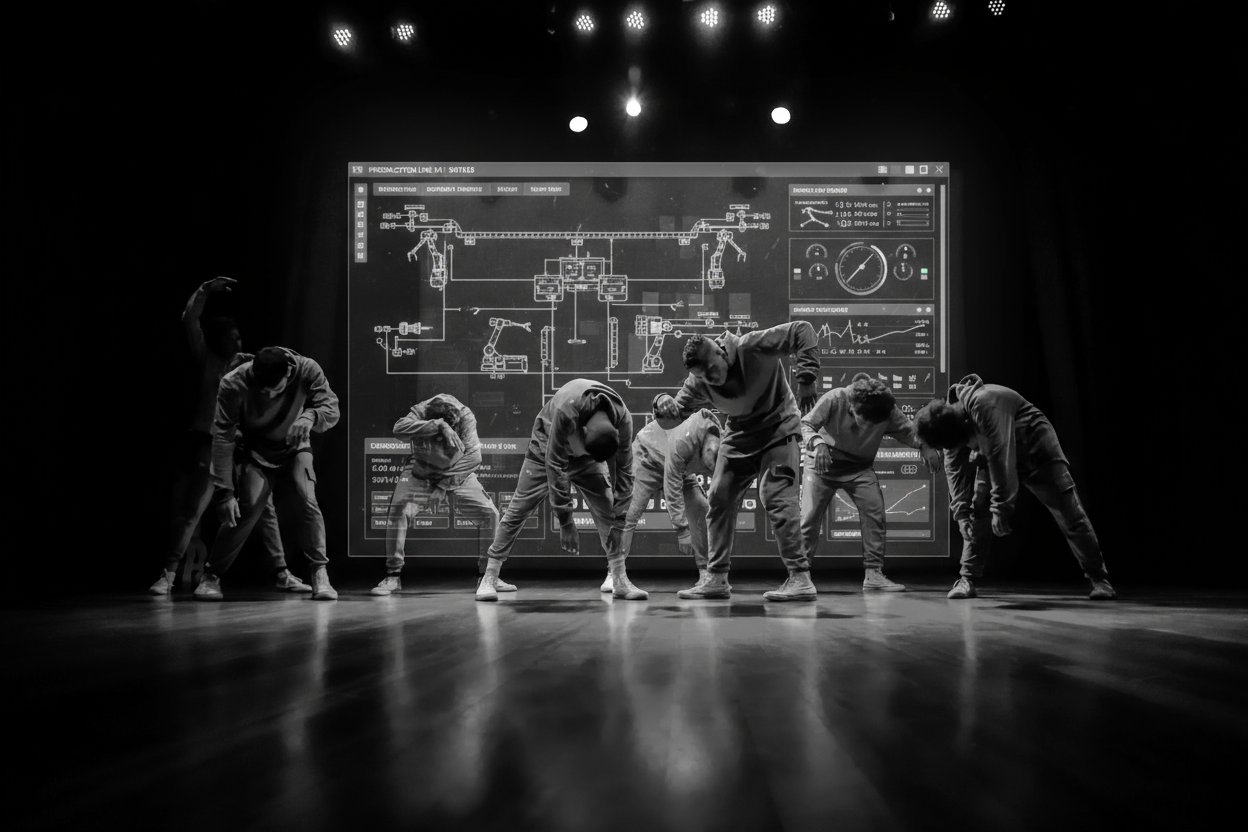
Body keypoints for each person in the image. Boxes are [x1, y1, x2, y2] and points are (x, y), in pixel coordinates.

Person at [150, 278, 309, 595]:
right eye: (233, 338)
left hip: (245, 448)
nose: (238, 343)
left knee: (264, 508)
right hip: (210, 443)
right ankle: (167, 575)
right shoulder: (208, 360)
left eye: (240, 338)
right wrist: (205, 291)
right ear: (218, 340)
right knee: (193, 509)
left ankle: (281, 573)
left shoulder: (250, 365)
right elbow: (189, 320)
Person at [652, 322, 821, 601]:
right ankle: (716, 578)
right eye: (701, 376)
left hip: (778, 430)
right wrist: (661, 402)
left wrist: (806, 377)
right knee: (718, 496)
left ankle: (800, 578)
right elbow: (673, 415)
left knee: (776, 495)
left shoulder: (751, 347)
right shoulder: (700, 382)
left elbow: (803, 330)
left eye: (710, 369)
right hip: (740, 436)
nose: (709, 378)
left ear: (720, 351)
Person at [914, 373, 1114, 600]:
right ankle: (966, 579)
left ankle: (1100, 580)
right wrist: (960, 512)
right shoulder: (949, 420)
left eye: (964, 443)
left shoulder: (984, 404)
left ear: (966, 425)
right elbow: (954, 469)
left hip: (1036, 450)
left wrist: (1000, 508)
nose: (963, 447)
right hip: (992, 455)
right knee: (977, 514)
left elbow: (1001, 454)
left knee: (1071, 515)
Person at [193, 346, 341, 601]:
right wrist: (224, 491)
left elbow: (332, 410)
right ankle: (211, 576)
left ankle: (320, 573)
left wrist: (311, 415)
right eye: (262, 388)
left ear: (289, 372)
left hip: (295, 447)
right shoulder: (234, 382)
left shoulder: (307, 369)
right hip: (255, 452)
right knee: (246, 507)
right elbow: (223, 438)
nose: (268, 394)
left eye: (275, 387)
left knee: (306, 497)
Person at [477, 378, 645, 602]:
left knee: (607, 510)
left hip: (587, 460)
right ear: (582, 431)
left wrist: (619, 521)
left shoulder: (623, 419)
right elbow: (554, 464)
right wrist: (566, 520)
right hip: (546, 450)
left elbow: (624, 472)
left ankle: (620, 579)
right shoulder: (567, 410)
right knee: (518, 509)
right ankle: (490, 576)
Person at [799, 373, 943, 591]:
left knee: (875, 514)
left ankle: (873, 574)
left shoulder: (886, 408)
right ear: (853, 407)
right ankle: (800, 575)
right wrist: (817, 442)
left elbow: (907, 430)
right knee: (808, 519)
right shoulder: (835, 398)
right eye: (864, 420)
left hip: (859, 468)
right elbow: (806, 424)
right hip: (822, 466)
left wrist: (925, 445)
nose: (868, 427)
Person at [372, 394, 514, 596]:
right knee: (399, 510)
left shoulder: (465, 417)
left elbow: (474, 457)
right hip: (421, 471)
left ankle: (488, 577)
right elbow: (398, 429)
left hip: (456, 472)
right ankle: (393, 576)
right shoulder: (421, 410)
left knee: (489, 514)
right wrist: (436, 426)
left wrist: (443, 485)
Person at [601, 409, 722, 593]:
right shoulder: (684, 442)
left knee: (700, 507)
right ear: (704, 449)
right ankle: (614, 574)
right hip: (647, 456)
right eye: (705, 467)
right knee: (627, 513)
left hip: (680, 467)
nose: (706, 471)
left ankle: (705, 573)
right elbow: (671, 484)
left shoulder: (721, 443)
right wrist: (682, 531)